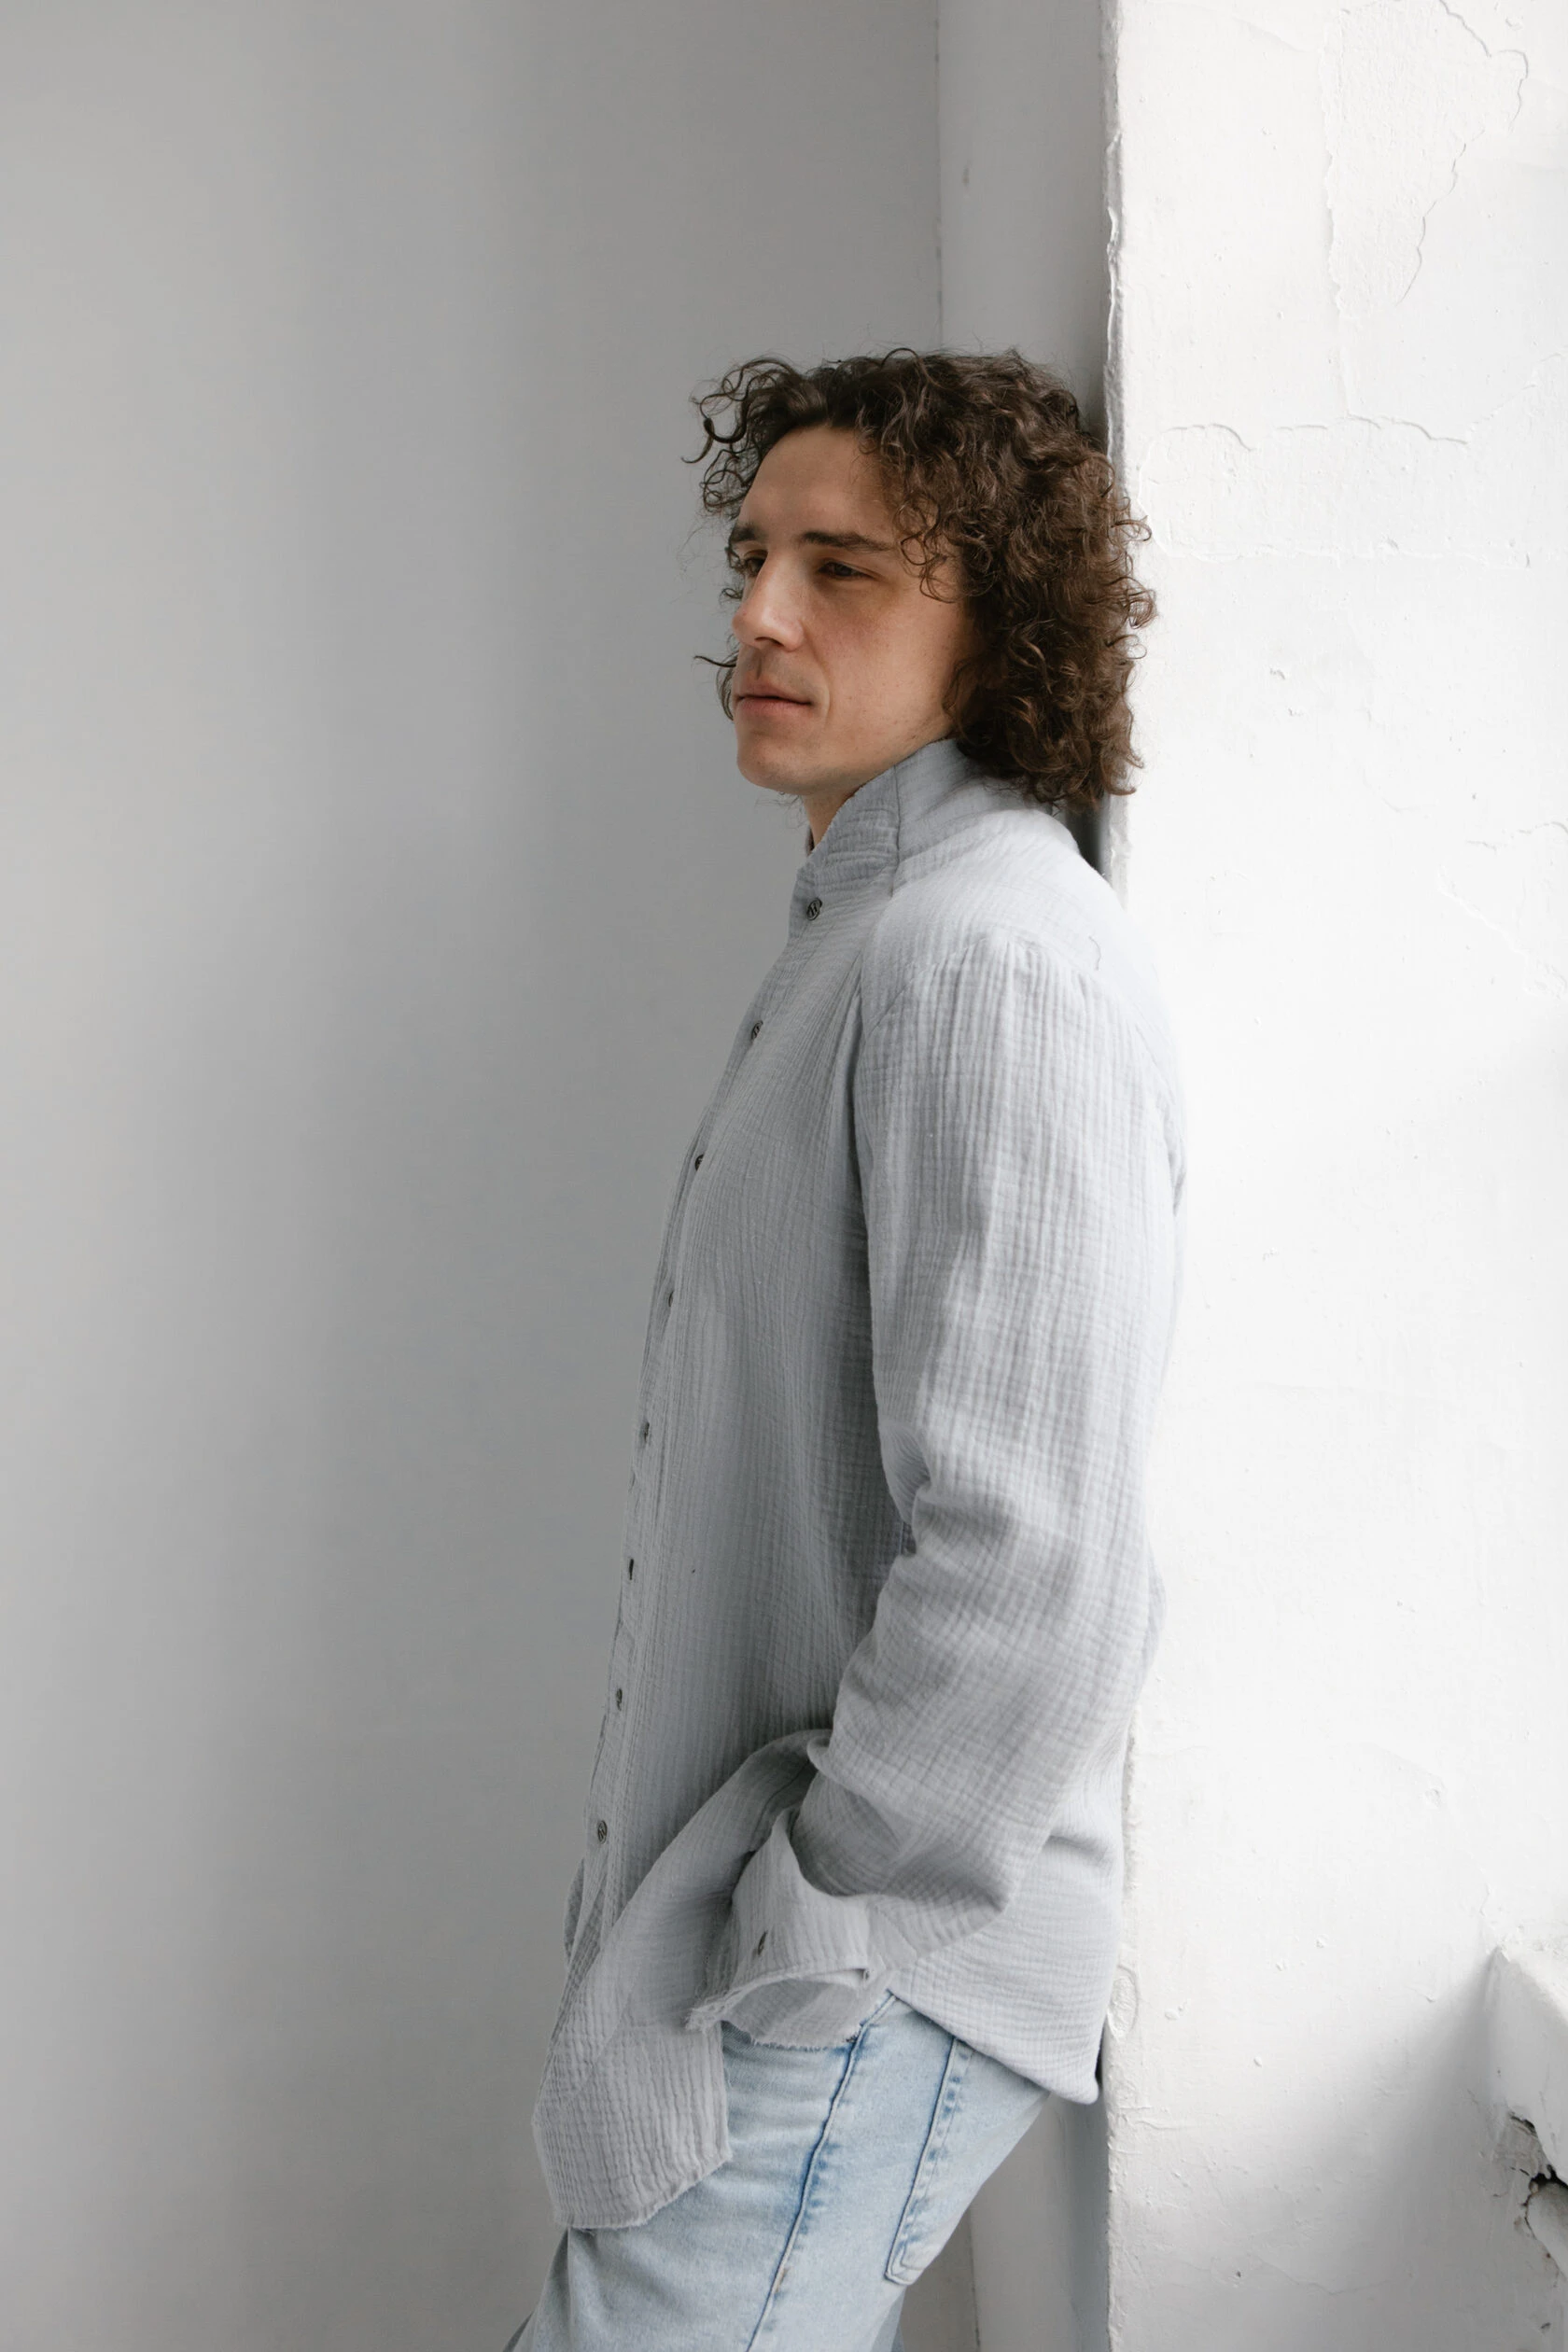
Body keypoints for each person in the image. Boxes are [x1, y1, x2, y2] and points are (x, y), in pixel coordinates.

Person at [508, 349, 1183, 2352]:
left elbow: (1036, 1564)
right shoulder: (878, 934)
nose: (761, 617)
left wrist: (812, 1914)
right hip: (791, 1955)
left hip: (861, 1964)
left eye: (844, 569)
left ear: (1003, 622)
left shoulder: (985, 960)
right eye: (753, 559)